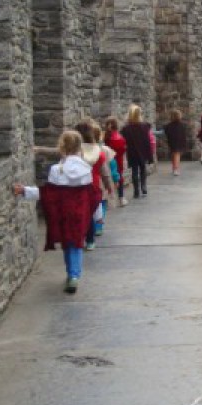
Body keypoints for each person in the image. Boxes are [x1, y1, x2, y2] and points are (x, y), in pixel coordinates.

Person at [13, 130, 101, 294]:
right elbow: (92, 196)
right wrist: (98, 216)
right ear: (79, 147)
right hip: (80, 213)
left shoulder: (56, 170)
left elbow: (48, 194)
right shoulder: (86, 169)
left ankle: (71, 273)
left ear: (62, 147)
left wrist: (25, 190)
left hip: (64, 212)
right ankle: (74, 274)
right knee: (76, 242)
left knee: (68, 242)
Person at [75, 120, 113, 251]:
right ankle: (90, 240)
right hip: (93, 186)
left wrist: (39, 149)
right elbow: (105, 172)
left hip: (76, 186)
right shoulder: (98, 152)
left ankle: (79, 237)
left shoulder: (75, 152)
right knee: (89, 213)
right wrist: (109, 186)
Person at [120, 104, 153, 198]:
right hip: (143, 150)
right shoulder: (145, 126)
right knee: (143, 169)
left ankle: (136, 191)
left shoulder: (126, 128)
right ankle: (143, 187)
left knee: (134, 170)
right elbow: (148, 140)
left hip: (132, 151)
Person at [103, 116, 128, 206]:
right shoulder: (120, 138)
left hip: (106, 161)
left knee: (106, 178)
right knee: (119, 178)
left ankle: (107, 198)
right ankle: (121, 198)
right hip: (118, 161)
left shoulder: (105, 138)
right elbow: (123, 151)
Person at [162, 109, 187, 175]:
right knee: (177, 155)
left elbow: (165, 132)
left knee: (173, 154)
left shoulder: (168, 125)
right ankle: (176, 169)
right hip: (180, 141)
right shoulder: (183, 125)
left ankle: (174, 168)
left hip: (171, 141)